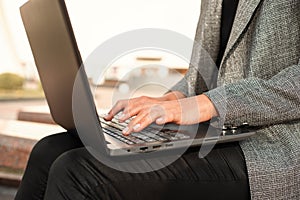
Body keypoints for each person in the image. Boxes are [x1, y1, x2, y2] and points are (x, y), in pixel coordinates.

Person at [15, 0, 299, 199]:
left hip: (275, 143)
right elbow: (205, 71)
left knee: (78, 172)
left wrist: (205, 104)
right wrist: (170, 100)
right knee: (49, 150)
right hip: (221, 130)